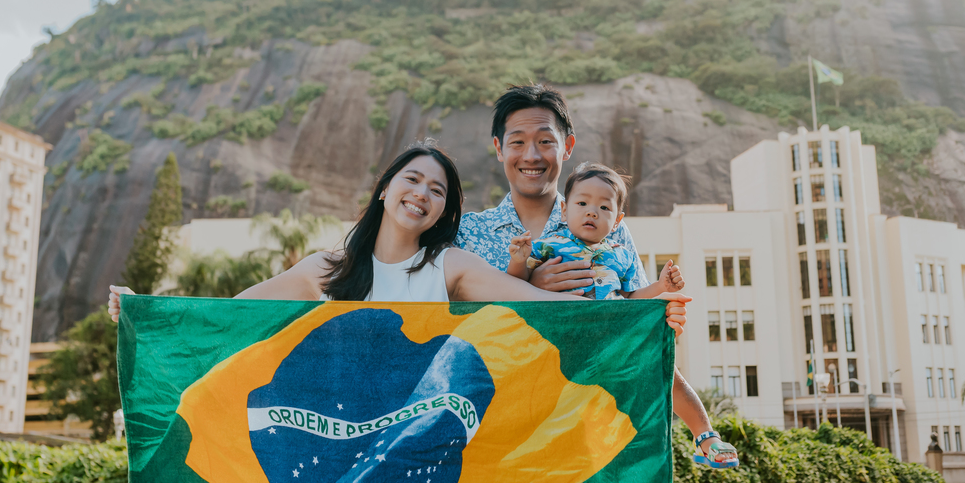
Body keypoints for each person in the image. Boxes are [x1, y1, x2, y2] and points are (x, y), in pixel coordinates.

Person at [456, 86, 734, 483]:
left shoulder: (605, 222)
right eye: (518, 141)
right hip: (509, 444)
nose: (532, 154)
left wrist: (669, 313)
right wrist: (530, 286)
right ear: (498, 149)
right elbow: (462, 334)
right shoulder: (472, 234)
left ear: (567, 145)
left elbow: (641, 322)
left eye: (545, 140)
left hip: (600, 440)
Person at [108, 142, 688, 330]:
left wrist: (646, 311)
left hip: (424, 446)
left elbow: (549, 310)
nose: (423, 194)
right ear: (385, 189)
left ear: (441, 213)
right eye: (413, 180)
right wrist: (146, 317)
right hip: (343, 442)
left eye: (438, 191)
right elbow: (228, 317)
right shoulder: (326, 271)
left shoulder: (453, 267)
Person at [508, 161, 682, 300]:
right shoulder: (548, 245)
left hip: (609, 331)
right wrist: (518, 261)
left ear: (616, 221)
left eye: (604, 207)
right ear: (564, 210)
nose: (592, 212)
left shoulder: (623, 256)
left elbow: (630, 298)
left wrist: (660, 286)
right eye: (582, 203)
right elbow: (519, 284)